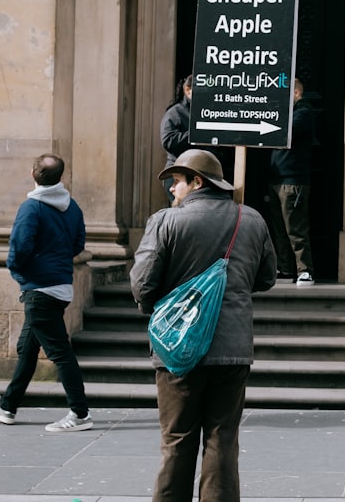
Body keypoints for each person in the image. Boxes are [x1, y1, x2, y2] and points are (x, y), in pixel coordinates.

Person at [131, 149, 276, 501]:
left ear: (197, 182)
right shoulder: (252, 219)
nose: (172, 190)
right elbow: (268, 277)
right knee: (222, 440)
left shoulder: (165, 221)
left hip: (178, 350)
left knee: (177, 440)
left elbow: (141, 283)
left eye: (177, 182)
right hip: (233, 349)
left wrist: (161, 308)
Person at [0, 154, 92, 432]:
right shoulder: (72, 207)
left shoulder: (32, 208)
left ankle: (80, 414)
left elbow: (19, 248)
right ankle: (7, 406)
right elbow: (78, 244)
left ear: (33, 174)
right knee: (27, 349)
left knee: (60, 353)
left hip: (40, 290)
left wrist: (20, 273)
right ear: (60, 177)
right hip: (61, 286)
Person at [267, 77, 318, 285]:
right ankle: (286, 268)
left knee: (295, 229)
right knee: (279, 228)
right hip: (277, 178)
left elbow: (284, 132)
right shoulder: (290, 114)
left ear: (296, 94)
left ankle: (305, 270)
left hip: (293, 180)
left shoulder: (303, 113)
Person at [159, 74, 233, 206]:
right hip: (181, 175)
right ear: (188, 90)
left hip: (209, 176)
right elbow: (168, 141)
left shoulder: (212, 112)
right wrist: (197, 134)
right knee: (182, 215)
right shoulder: (175, 113)